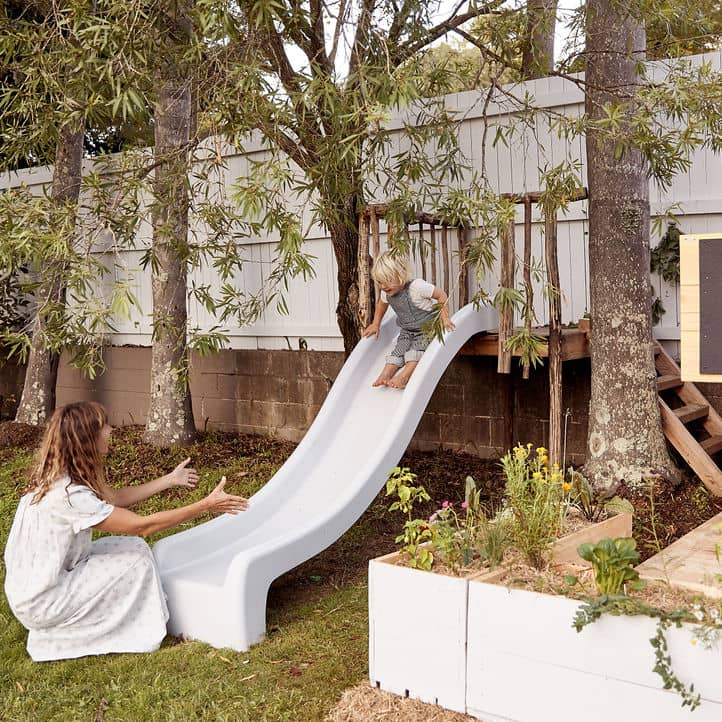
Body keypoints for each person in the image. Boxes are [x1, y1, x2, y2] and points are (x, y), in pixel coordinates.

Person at [3, 401, 248, 662]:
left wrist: (169, 480)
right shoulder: (69, 496)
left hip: (34, 589)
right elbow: (142, 526)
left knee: (131, 548)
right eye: (103, 426)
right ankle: (120, 633)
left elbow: (114, 499)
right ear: (87, 438)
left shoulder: (58, 477)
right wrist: (206, 505)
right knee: (137, 563)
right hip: (44, 601)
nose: (110, 430)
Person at [362, 251, 456, 388]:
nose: (383, 286)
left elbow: (441, 295)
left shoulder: (417, 287)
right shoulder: (386, 292)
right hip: (407, 330)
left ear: (400, 276)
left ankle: (405, 376)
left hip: (427, 329)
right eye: (379, 282)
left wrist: (445, 318)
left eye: (387, 281)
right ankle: (385, 374)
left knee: (416, 350)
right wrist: (375, 324)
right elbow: (381, 305)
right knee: (399, 349)